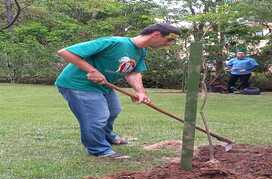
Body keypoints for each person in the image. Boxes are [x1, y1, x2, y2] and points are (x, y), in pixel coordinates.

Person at [55, 23, 180, 159]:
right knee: (97, 117)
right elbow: (65, 52)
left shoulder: (141, 51)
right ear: (156, 34)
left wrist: (140, 92)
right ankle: (99, 150)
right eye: (169, 40)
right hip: (78, 83)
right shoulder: (115, 42)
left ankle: (107, 136)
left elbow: (133, 72)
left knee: (114, 110)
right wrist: (92, 70)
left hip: (103, 85)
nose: (169, 45)